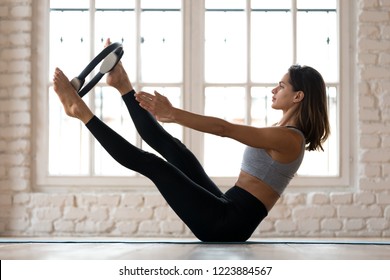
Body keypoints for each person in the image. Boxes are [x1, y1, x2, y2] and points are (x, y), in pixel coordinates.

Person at [53, 40, 330, 242]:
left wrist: (173, 113)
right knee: (175, 150)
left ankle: (80, 111)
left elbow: (225, 128)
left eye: (281, 86)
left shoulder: (289, 139)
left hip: (227, 224)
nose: (274, 89)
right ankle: (123, 84)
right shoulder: (282, 132)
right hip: (226, 205)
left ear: (298, 97)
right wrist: (168, 115)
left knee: (156, 166)